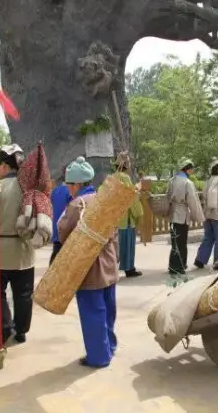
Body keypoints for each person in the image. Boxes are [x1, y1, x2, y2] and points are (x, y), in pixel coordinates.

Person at [58, 156, 118, 368]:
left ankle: (98, 356)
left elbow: (64, 232)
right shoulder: (105, 199)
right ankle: (109, 347)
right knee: (108, 310)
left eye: (69, 185)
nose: (68, 189)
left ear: (76, 184)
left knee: (93, 313)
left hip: (89, 268)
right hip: (109, 265)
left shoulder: (77, 205)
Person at [0, 144, 35, 344]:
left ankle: (4, 327)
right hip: (25, 250)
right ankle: (21, 330)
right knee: (24, 294)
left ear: (4, 165)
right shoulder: (30, 187)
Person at [166, 158, 204, 277]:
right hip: (182, 214)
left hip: (173, 213)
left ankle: (174, 265)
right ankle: (179, 266)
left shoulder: (172, 180)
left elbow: (167, 196)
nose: (192, 170)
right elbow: (193, 201)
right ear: (187, 169)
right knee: (181, 241)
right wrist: (200, 217)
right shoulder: (187, 183)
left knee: (174, 241)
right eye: (191, 168)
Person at [115, 153, 144, 278]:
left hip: (116, 216)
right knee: (128, 243)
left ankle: (122, 267)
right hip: (126, 217)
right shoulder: (125, 178)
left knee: (118, 244)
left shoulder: (113, 177)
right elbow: (130, 197)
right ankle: (129, 268)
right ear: (126, 165)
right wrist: (138, 212)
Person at [50, 165, 71, 265]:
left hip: (56, 231)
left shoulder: (55, 191)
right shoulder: (71, 193)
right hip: (66, 232)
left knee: (55, 257)